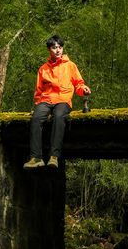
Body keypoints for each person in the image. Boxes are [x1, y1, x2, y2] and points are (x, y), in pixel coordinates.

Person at [24, 35, 91, 169]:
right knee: (36, 118)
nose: (58, 50)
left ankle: (54, 157)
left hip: (63, 99)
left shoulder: (70, 66)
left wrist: (83, 89)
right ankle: (36, 158)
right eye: (54, 48)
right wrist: (37, 107)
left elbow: (78, 84)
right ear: (49, 50)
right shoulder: (43, 69)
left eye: (60, 47)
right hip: (46, 99)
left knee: (59, 117)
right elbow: (39, 91)